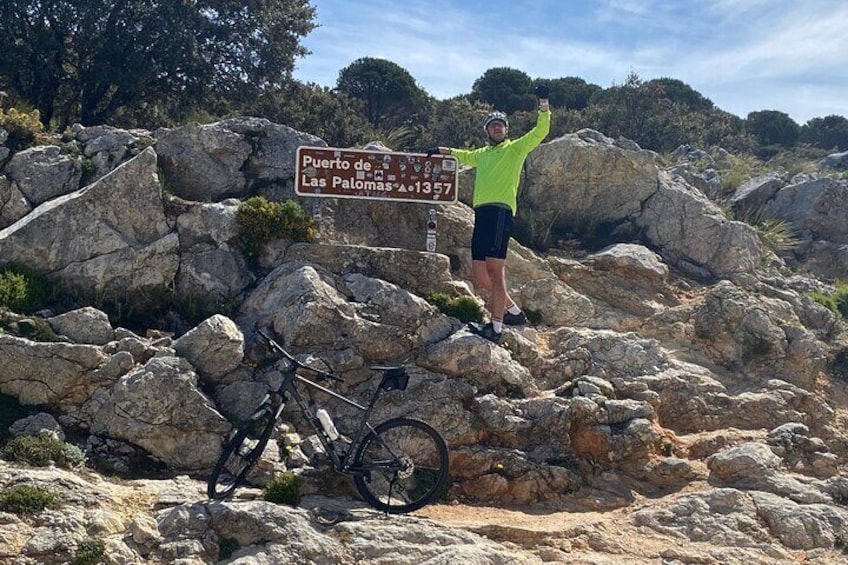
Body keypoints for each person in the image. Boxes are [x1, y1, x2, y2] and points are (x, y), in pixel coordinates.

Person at [426, 85, 551, 343]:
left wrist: (544, 104)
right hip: (481, 214)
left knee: (496, 271)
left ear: (506, 130)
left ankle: (495, 328)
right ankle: (514, 312)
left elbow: (541, 132)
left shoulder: (514, 149)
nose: (497, 128)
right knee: (481, 276)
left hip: (500, 214)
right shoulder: (481, 155)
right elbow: (462, 155)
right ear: (486, 131)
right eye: (492, 125)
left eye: (501, 125)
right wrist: (441, 151)